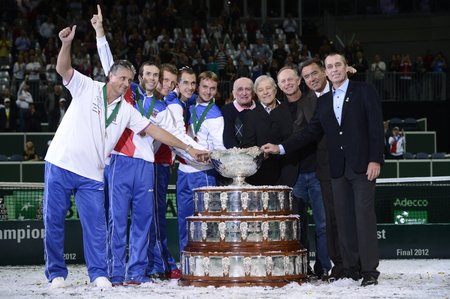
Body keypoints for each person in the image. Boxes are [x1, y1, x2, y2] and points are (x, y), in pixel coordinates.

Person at [44, 25, 207, 290]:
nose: (124, 83)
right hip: (61, 162)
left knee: (96, 229)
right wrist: (66, 44)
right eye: (121, 78)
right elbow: (63, 70)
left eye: (127, 79)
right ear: (110, 76)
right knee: (53, 221)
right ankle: (55, 273)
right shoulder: (87, 86)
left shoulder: (127, 111)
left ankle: (99, 273)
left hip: (92, 173)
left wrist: (188, 149)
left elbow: (157, 131)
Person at [92, 6, 200, 284]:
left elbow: (174, 134)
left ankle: (137, 273)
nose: (152, 79)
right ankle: (115, 272)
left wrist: (195, 150)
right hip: (121, 161)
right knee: (117, 221)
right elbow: (109, 65)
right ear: (140, 77)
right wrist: (100, 32)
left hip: (147, 167)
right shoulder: (128, 93)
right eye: (148, 74)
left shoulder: (163, 109)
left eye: (156, 76)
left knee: (144, 222)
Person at [262, 53, 384, 287]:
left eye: (338, 65)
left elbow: (375, 127)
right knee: (343, 220)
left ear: (346, 67)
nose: (335, 69)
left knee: (364, 217)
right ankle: (349, 268)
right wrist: (280, 147)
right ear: (326, 73)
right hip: (336, 169)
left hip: (362, 167)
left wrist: (375, 159)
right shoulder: (324, 102)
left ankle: (369, 270)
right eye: (330, 67)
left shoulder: (364, 90)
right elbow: (310, 132)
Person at [271, 65, 332, 279]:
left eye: (291, 79)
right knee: (298, 226)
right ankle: (302, 266)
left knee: (323, 223)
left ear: (299, 81)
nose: (287, 83)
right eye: (283, 81)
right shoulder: (277, 113)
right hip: (293, 175)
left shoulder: (314, 101)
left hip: (317, 171)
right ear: (279, 86)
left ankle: (324, 267)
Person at [165, 69, 225, 254]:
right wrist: (176, 90)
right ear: (197, 87)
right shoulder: (188, 104)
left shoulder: (215, 114)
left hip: (203, 173)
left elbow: (220, 148)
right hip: (183, 170)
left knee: (205, 223)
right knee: (184, 220)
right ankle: (186, 261)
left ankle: (207, 260)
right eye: (204, 87)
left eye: (213, 88)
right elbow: (168, 99)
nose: (208, 92)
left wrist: (207, 155)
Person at [241, 75, 280, 186]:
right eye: (261, 90)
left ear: (275, 89)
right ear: (256, 94)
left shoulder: (286, 109)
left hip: (288, 169)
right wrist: (260, 153)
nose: (265, 92)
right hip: (264, 173)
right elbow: (247, 145)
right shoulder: (250, 116)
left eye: (268, 88)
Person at [221, 77, 255, 149]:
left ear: (253, 92)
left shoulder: (260, 108)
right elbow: (228, 141)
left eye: (248, 89)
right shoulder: (226, 110)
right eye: (240, 89)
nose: (244, 93)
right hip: (236, 156)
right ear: (234, 93)